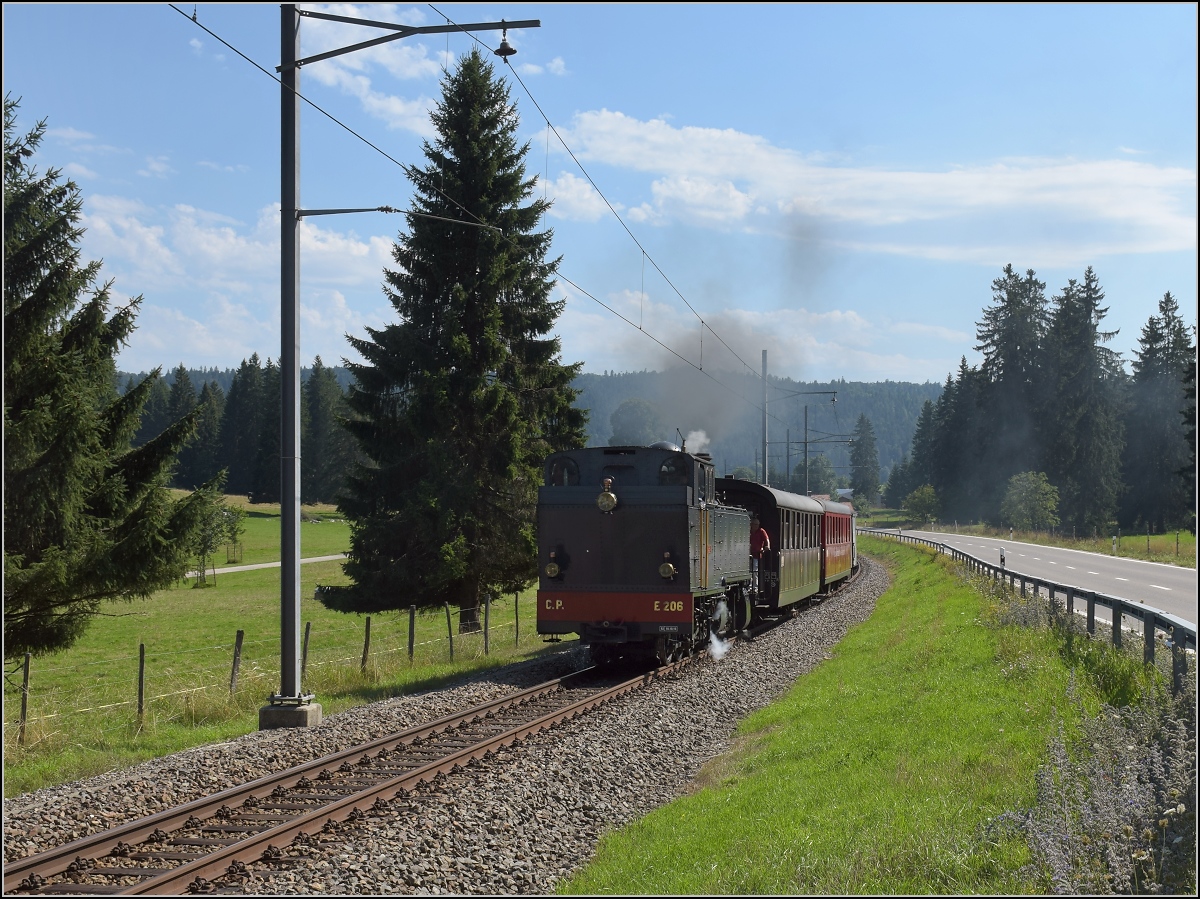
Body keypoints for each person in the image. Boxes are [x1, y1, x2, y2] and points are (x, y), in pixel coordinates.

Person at [750, 514, 770, 594]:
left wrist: (767, 546)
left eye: (757, 525)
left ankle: (754, 587)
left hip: (756, 555)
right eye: (754, 524)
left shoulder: (761, 531)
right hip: (747, 555)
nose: (756, 526)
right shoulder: (748, 530)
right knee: (748, 571)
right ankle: (749, 586)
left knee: (754, 571)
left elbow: (767, 539)